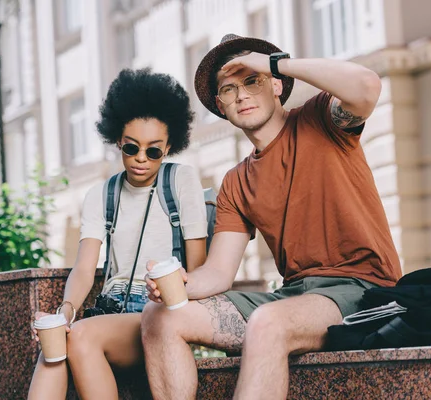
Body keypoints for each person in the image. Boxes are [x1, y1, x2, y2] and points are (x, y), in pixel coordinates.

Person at [141, 34, 403, 400]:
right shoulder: (235, 182)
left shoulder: (320, 121)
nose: (243, 95)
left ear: (276, 85)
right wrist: (178, 284)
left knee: (268, 322)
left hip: (363, 291)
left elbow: (367, 85)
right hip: (294, 299)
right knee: (160, 317)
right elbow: (218, 273)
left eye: (253, 80)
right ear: (221, 105)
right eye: (229, 89)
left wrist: (272, 61)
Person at [28, 69, 208, 400]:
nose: (141, 159)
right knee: (53, 348)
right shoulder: (102, 194)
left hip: (159, 312)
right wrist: (64, 312)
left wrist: (177, 304)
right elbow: (84, 267)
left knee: (80, 338)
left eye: (153, 151)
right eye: (131, 148)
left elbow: (198, 267)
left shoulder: (180, 181)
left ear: (168, 147)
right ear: (117, 142)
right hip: (108, 310)